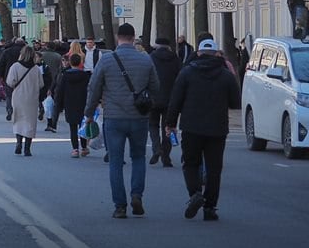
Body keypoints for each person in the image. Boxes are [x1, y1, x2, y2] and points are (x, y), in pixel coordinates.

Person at [85, 23, 161, 219]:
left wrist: (89, 113)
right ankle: (137, 195)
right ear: (134, 37)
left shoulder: (107, 60)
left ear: (118, 37)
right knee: (138, 158)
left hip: (114, 118)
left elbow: (94, 88)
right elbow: (156, 88)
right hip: (139, 118)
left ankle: (120, 206)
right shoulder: (145, 60)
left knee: (116, 162)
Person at [165, 39, 241, 221]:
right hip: (217, 128)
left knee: (190, 163)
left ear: (198, 53)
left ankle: (195, 193)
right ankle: (210, 207)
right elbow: (235, 102)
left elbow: (176, 100)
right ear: (216, 54)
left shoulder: (187, 73)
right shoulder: (225, 75)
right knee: (214, 169)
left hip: (191, 127)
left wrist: (170, 123)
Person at [148, 37, 182, 167]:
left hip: (154, 97)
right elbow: (180, 79)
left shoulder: (151, 58)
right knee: (168, 127)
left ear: (156, 46)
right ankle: (166, 157)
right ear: (169, 46)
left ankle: (156, 149)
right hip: (171, 99)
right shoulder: (176, 59)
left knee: (152, 125)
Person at [6, 46, 44, 156]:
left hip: (18, 96)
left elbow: (10, 82)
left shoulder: (15, 66)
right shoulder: (36, 69)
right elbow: (41, 84)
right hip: (32, 98)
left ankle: (18, 143)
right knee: (30, 122)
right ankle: (27, 148)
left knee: (18, 120)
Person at [54, 53, 92, 157]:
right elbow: (89, 90)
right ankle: (84, 147)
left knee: (73, 127)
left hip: (69, 103)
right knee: (83, 126)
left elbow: (60, 90)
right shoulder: (85, 75)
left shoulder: (65, 75)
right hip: (82, 102)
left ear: (70, 63)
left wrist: (59, 104)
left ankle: (75, 149)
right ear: (80, 62)